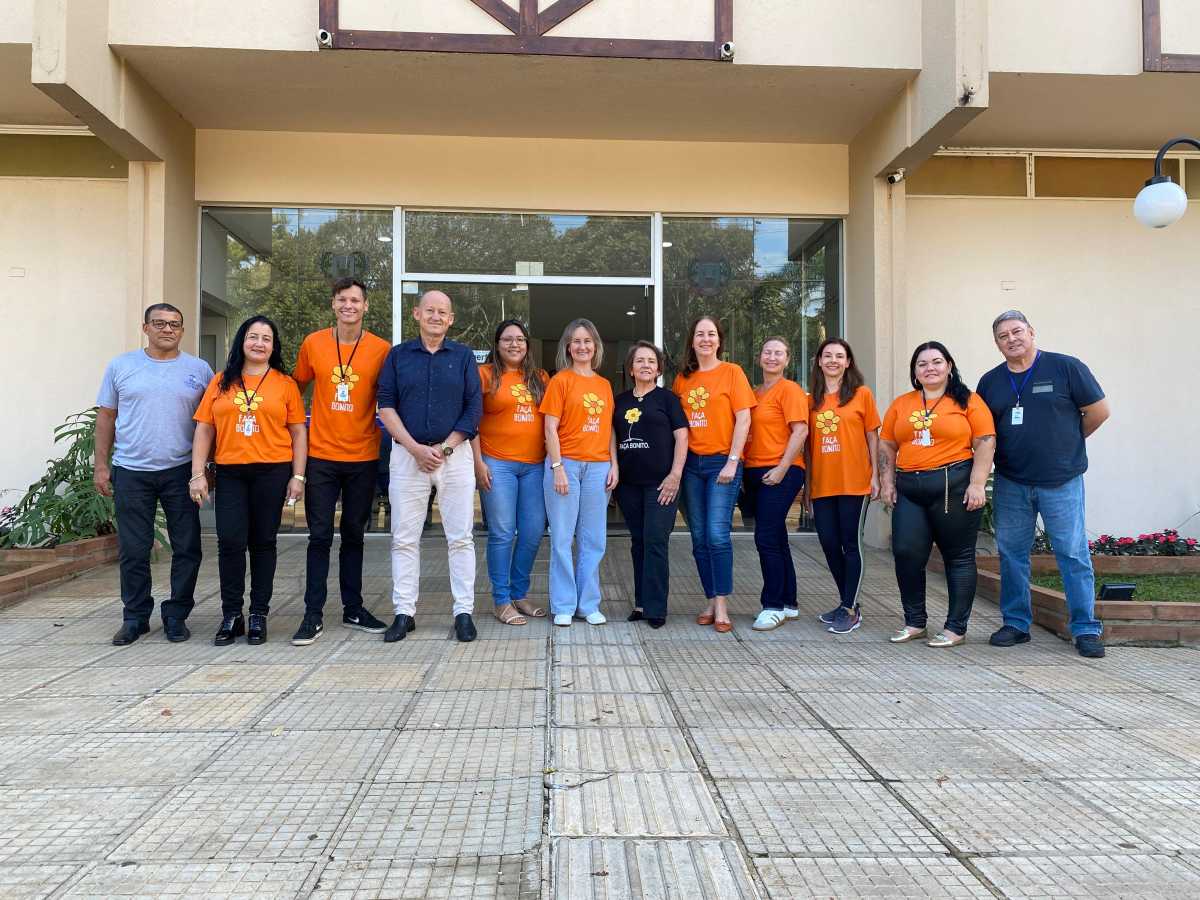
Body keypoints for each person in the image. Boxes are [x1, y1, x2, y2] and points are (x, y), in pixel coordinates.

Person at [976, 310, 1110, 658]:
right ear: (997, 344)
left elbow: (1098, 412)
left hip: (1061, 480)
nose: (1011, 339)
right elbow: (984, 432)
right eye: (1003, 336)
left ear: (1031, 332)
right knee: (1012, 555)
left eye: (1017, 331)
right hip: (1012, 481)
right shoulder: (990, 382)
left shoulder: (1066, 367)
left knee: (1072, 553)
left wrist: (1067, 444)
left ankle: (1085, 628)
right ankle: (1016, 624)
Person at [95, 303, 213, 645]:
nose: (167, 329)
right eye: (159, 323)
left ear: (182, 330)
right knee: (134, 549)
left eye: (175, 324)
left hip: (181, 471)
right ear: (145, 328)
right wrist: (101, 465)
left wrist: (207, 468)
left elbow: (211, 423)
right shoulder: (121, 366)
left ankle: (176, 615)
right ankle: (135, 617)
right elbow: (106, 417)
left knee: (187, 547)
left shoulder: (199, 369)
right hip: (131, 470)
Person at [191, 316, 307, 646]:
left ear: (274, 346)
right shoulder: (221, 381)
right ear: (242, 341)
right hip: (230, 472)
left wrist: (298, 476)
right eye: (253, 337)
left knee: (263, 542)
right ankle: (232, 614)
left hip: (272, 471)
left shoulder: (285, 384)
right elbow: (204, 428)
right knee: (229, 541)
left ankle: (258, 614)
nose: (259, 343)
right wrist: (197, 474)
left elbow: (298, 432)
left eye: (266, 339)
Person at [289, 277, 392, 646]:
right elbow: (294, 389)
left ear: (366, 306)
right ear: (333, 304)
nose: (349, 306)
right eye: (342, 300)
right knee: (319, 536)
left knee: (354, 535)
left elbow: (391, 396)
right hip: (321, 456)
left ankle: (353, 608)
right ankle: (312, 614)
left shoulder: (381, 349)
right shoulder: (313, 343)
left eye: (355, 300)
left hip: (363, 455)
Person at [377, 290, 482, 643]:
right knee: (404, 538)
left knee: (461, 537)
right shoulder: (398, 356)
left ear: (451, 319)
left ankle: (463, 612)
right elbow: (386, 406)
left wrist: (445, 448)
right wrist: (415, 449)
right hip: (408, 456)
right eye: (430, 310)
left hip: (455, 456)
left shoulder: (464, 357)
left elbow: (474, 408)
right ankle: (404, 612)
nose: (436, 316)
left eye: (443, 312)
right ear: (417, 313)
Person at [879, 341, 995, 648]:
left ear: (949, 366)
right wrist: (887, 482)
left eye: (936, 362)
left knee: (958, 557)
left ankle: (956, 628)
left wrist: (977, 484)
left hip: (952, 486)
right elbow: (887, 443)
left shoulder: (968, 401)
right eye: (922, 364)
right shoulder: (902, 404)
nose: (929, 368)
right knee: (906, 552)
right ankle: (915, 622)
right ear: (915, 371)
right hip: (909, 487)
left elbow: (985, 441)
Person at [672, 316, 756, 633]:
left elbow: (744, 419)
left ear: (719, 340)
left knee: (717, 534)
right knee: (698, 537)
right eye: (699, 334)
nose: (705, 339)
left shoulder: (733, 372)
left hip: (722, 462)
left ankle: (721, 605)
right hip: (691, 466)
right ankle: (710, 598)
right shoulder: (683, 379)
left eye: (711, 334)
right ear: (692, 341)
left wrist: (733, 461)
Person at [540, 318, 617, 628]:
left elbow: (609, 428)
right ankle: (563, 604)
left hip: (599, 467)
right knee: (562, 537)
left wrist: (614, 464)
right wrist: (557, 467)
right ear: (568, 347)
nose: (582, 346)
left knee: (593, 538)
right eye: (576, 341)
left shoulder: (604, 385)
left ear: (595, 346)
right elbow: (550, 428)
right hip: (566, 465)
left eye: (587, 341)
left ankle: (588, 604)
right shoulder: (560, 381)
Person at [472, 319, 549, 626]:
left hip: (534, 466)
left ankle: (519, 593)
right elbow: (471, 421)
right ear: (497, 344)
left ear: (527, 345)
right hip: (497, 463)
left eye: (520, 339)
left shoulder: (540, 378)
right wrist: (478, 462)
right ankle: (501, 600)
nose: (514, 344)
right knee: (503, 532)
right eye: (507, 339)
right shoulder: (484, 375)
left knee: (532, 532)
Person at [805, 338, 881, 636]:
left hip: (855, 482)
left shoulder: (861, 395)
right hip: (823, 483)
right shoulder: (811, 400)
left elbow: (873, 437)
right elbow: (808, 448)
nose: (833, 360)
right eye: (827, 355)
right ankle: (846, 602)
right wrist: (808, 487)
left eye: (839, 356)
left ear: (848, 362)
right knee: (828, 543)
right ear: (819, 361)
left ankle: (850, 609)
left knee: (851, 544)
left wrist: (876, 476)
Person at [612, 341, 688, 628]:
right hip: (629, 485)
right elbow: (611, 436)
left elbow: (682, 437)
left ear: (658, 369)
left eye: (651, 361)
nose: (646, 365)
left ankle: (656, 608)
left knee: (656, 541)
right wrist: (614, 468)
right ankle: (641, 603)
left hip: (662, 484)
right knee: (639, 542)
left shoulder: (668, 400)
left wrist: (675, 475)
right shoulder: (619, 401)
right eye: (640, 361)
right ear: (631, 369)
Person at [742, 337, 809, 631]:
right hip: (755, 471)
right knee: (777, 537)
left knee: (766, 537)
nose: (772, 357)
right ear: (760, 358)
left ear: (787, 359)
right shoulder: (755, 393)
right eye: (767, 352)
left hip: (782, 470)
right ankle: (789, 602)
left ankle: (773, 606)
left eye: (778, 353)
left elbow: (801, 431)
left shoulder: (790, 389)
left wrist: (782, 468)